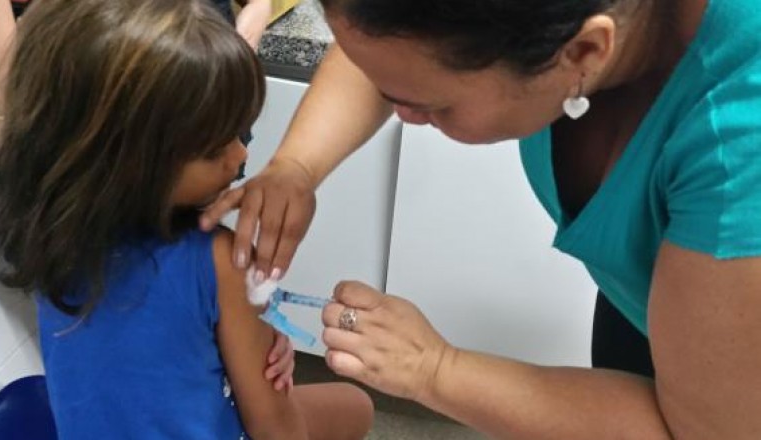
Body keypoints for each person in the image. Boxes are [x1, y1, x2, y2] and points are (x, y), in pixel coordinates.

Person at [199, 0, 761, 437]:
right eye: (392, 91)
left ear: (585, 54)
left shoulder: (737, 145)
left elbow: (710, 431)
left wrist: (436, 370)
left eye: (433, 104)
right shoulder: (478, 28)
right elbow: (393, 40)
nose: (403, 114)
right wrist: (296, 166)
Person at [0, 0, 373, 438]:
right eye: (215, 148)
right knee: (355, 405)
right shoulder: (217, 262)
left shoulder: (46, 234)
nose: (241, 155)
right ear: (127, 163)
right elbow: (277, 431)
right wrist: (253, 343)